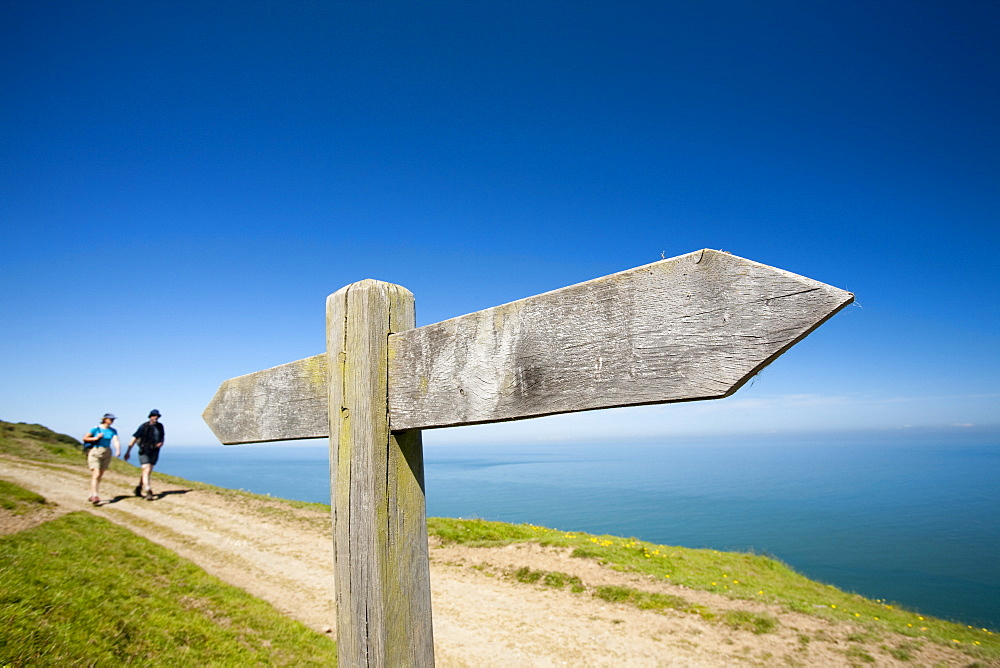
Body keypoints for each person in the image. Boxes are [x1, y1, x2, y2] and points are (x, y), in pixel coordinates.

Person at [82, 413, 121, 505]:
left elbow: (116, 440)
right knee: (96, 474)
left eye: (113, 419)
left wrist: (118, 450)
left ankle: (92, 494)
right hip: (96, 451)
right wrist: (96, 437)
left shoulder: (113, 430)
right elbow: (85, 438)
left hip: (107, 452)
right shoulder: (96, 428)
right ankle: (95, 495)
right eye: (110, 419)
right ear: (105, 419)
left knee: (100, 475)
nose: (112, 421)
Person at [125, 409, 165, 500]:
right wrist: (128, 451)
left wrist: (161, 443)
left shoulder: (160, 426)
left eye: (157, 416)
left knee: (148, 470)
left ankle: (139, 487)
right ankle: (148, 490)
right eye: (154, 416)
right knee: (146, 469)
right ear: (150, 416)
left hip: (155, 450)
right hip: (144, 450)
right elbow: (134, 438)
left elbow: (162, 437)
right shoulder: (144, 426)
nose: (156, 417)